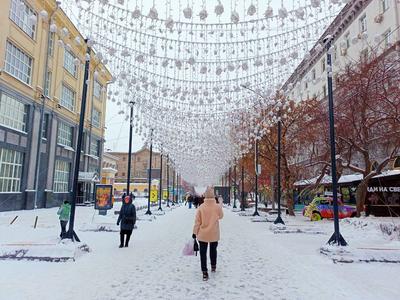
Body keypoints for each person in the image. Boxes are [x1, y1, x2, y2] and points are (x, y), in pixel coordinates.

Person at [192, 187, 224, 281]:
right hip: (214, 233)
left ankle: (204, 272)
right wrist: (220, 204)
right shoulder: (217, 206)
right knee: (213, 250)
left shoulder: (201, 207)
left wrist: (194, 233)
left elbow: (197, 222)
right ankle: (213, 266)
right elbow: (221, 216)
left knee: (203, 253)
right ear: (213, 195)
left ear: (205, 195)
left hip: (203, 234)